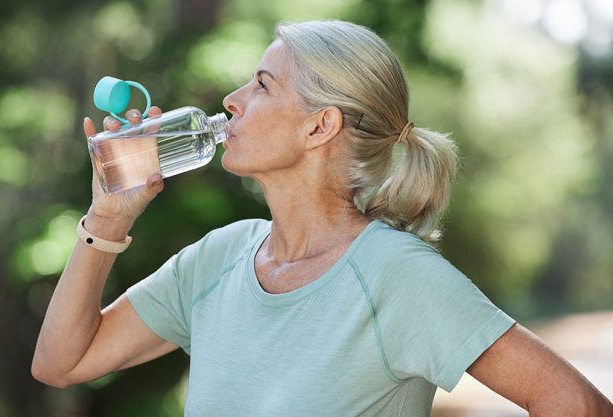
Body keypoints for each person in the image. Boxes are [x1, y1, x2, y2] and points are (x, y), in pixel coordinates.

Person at [32, 20, 612, 417]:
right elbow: (62, 363)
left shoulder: (396, 275)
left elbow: (577, 404)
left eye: (262, 84)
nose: (231, 100)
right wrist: (106, 219)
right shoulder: (221, 256)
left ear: (320, 126)